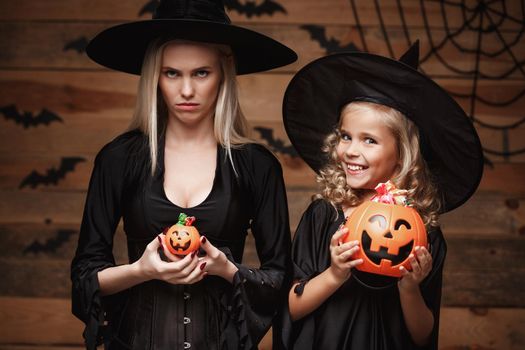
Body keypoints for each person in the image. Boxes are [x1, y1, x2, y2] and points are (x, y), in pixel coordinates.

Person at [70, 1, 297, 349]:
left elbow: (280, 279)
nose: (186, 90)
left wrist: (227, 269)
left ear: (224, 73)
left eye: (201, 73)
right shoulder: (119, 159)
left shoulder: (257, 165)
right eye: (171, 73)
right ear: (154, 77)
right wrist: (141, 271)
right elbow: (85, 277)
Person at [276, 42, 484, 349]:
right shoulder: (324, 215)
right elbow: (292, 307)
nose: (351, 150)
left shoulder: (423, 233)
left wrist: (410, 288)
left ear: (401, 155)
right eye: (345, 136)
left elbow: (423, 333)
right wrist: (334, 274)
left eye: (369, 140)